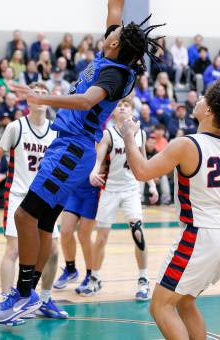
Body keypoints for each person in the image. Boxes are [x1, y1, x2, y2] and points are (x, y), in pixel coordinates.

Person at [0, 0, 165, 325]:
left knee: (24, 217)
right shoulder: (112, 54)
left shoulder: (117, 75)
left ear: (117, 45)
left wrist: (43, 98)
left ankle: (22, 294)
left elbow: (86, 102)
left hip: (73, 149)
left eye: (114, 33)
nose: (110, 30)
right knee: (44, 221)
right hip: (66, 147)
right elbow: (114, 2)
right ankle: (29, 296)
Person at [120, 81, 220, 340]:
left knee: (160, 305)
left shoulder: (187, 145)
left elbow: (141, 171)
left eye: (204, 97)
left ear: (209, 112)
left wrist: (128, 136)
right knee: (185, 301)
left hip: (199, 237)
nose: (198, 99)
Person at [0, 83, 68, 321]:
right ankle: (6, 300)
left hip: (45, 198)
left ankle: (45, 298)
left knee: (52, 250)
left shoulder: (56, 131)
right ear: (28, 100)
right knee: (14, 248)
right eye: (36, 93)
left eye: (44, 93)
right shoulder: (16, 126)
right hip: (19, 196)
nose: (40, 97)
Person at [82, 97, 158, 299]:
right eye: (119, 105)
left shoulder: (140, 133)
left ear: (133, 111)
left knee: (138, 232)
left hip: (132, 189)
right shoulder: (108, 134)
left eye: (127, 105)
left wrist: (151, 184)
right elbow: (99, 158)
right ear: (114, 112)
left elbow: (144, 160)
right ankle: (95, 278)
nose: (123, 107)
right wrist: (93, 172)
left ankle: (143, 279)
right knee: (102, 237)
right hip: (110, 189)